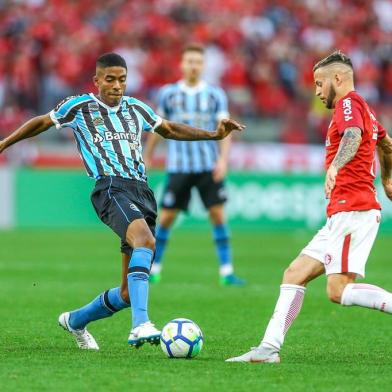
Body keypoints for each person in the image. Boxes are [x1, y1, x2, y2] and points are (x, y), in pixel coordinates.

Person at [0, 53, 244, 350]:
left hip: (142, 191)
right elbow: (41, 122)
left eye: (122, 80)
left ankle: (75, 321)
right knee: (146, 241)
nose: (117, 86)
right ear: (97, 81)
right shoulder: (79, 107)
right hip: (110, 187)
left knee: (128, 293)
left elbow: (168, 129)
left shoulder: (136, 108)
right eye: (110, 79)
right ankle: (141, 325)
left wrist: (213, 135)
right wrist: (3, 144)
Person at [226, 50, 392, 363]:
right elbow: (387, 144)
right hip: (344, 213)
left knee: (338, 290)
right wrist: (386, 181)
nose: (316, 91)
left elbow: (354, 136)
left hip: (353, 209)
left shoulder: (349, 103)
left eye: (319, 83)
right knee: (294, 273)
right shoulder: (366, 110)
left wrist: (335, 167)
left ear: (338, 79)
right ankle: (268, 350)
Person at [143, 44, 245, 286]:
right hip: (178, 166)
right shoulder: (168, 94)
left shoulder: (214, 94)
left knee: (218, 215)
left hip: (207, 165)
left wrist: (222, 160)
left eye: (197, 62)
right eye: (189, 61)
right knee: (166, 217)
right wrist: (148, 155)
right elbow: (158, 128)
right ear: (181, 64)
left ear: (203, 65)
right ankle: (154, 268)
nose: (193, 66)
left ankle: (226, 272)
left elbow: (225, 129)